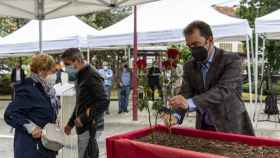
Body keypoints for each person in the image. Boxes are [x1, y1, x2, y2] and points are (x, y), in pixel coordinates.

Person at [163, 21, 255, 136]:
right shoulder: (189, 66)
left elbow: (223, 90)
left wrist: (190, 103)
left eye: (196, 44)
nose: (193, 49)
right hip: (204, 126)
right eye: (189, 46)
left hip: (230, 125)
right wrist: (175, 115)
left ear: (210, 40)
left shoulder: (231, 60)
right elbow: (186, 93)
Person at [4, 54, 59, 158]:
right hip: (31, 149)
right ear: (41, 71)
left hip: (46, 146)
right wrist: (31, 127)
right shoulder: (27, 88)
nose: (55, 75)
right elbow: (10, 114)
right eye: (53, 71)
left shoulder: (47, 89)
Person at [62, 48, 109, 158]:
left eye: (67, 64)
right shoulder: (80, 75)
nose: (65, 67)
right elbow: (80, 103)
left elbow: (104, 101)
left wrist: (83, 118)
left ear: (77, 60)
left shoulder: (91, 75)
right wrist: (70, 124)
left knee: (87, 155)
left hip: (90, 126)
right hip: (82, 126)